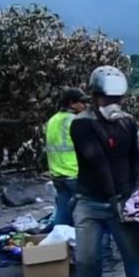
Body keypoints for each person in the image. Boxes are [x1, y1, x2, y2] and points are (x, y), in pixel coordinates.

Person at [69, 66, 139, 277]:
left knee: (134, 255)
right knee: (87, 257)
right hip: (91, 201)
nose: (113, 105)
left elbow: (135, 159)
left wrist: (135, 192)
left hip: (122, 198)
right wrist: (114, 198)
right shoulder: (82, 124)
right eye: (108, 100)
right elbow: (98, 163)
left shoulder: (127, 122)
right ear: (95, 97)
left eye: (118, 99)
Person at [45, 88, 90, 227]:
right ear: (72, 103)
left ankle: (60, 243)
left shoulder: (52, 120)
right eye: (82, 102)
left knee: (63, 212)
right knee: (91, 212)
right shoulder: (76, 120)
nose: (85, 106)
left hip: (57, 175)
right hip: (74, 173)